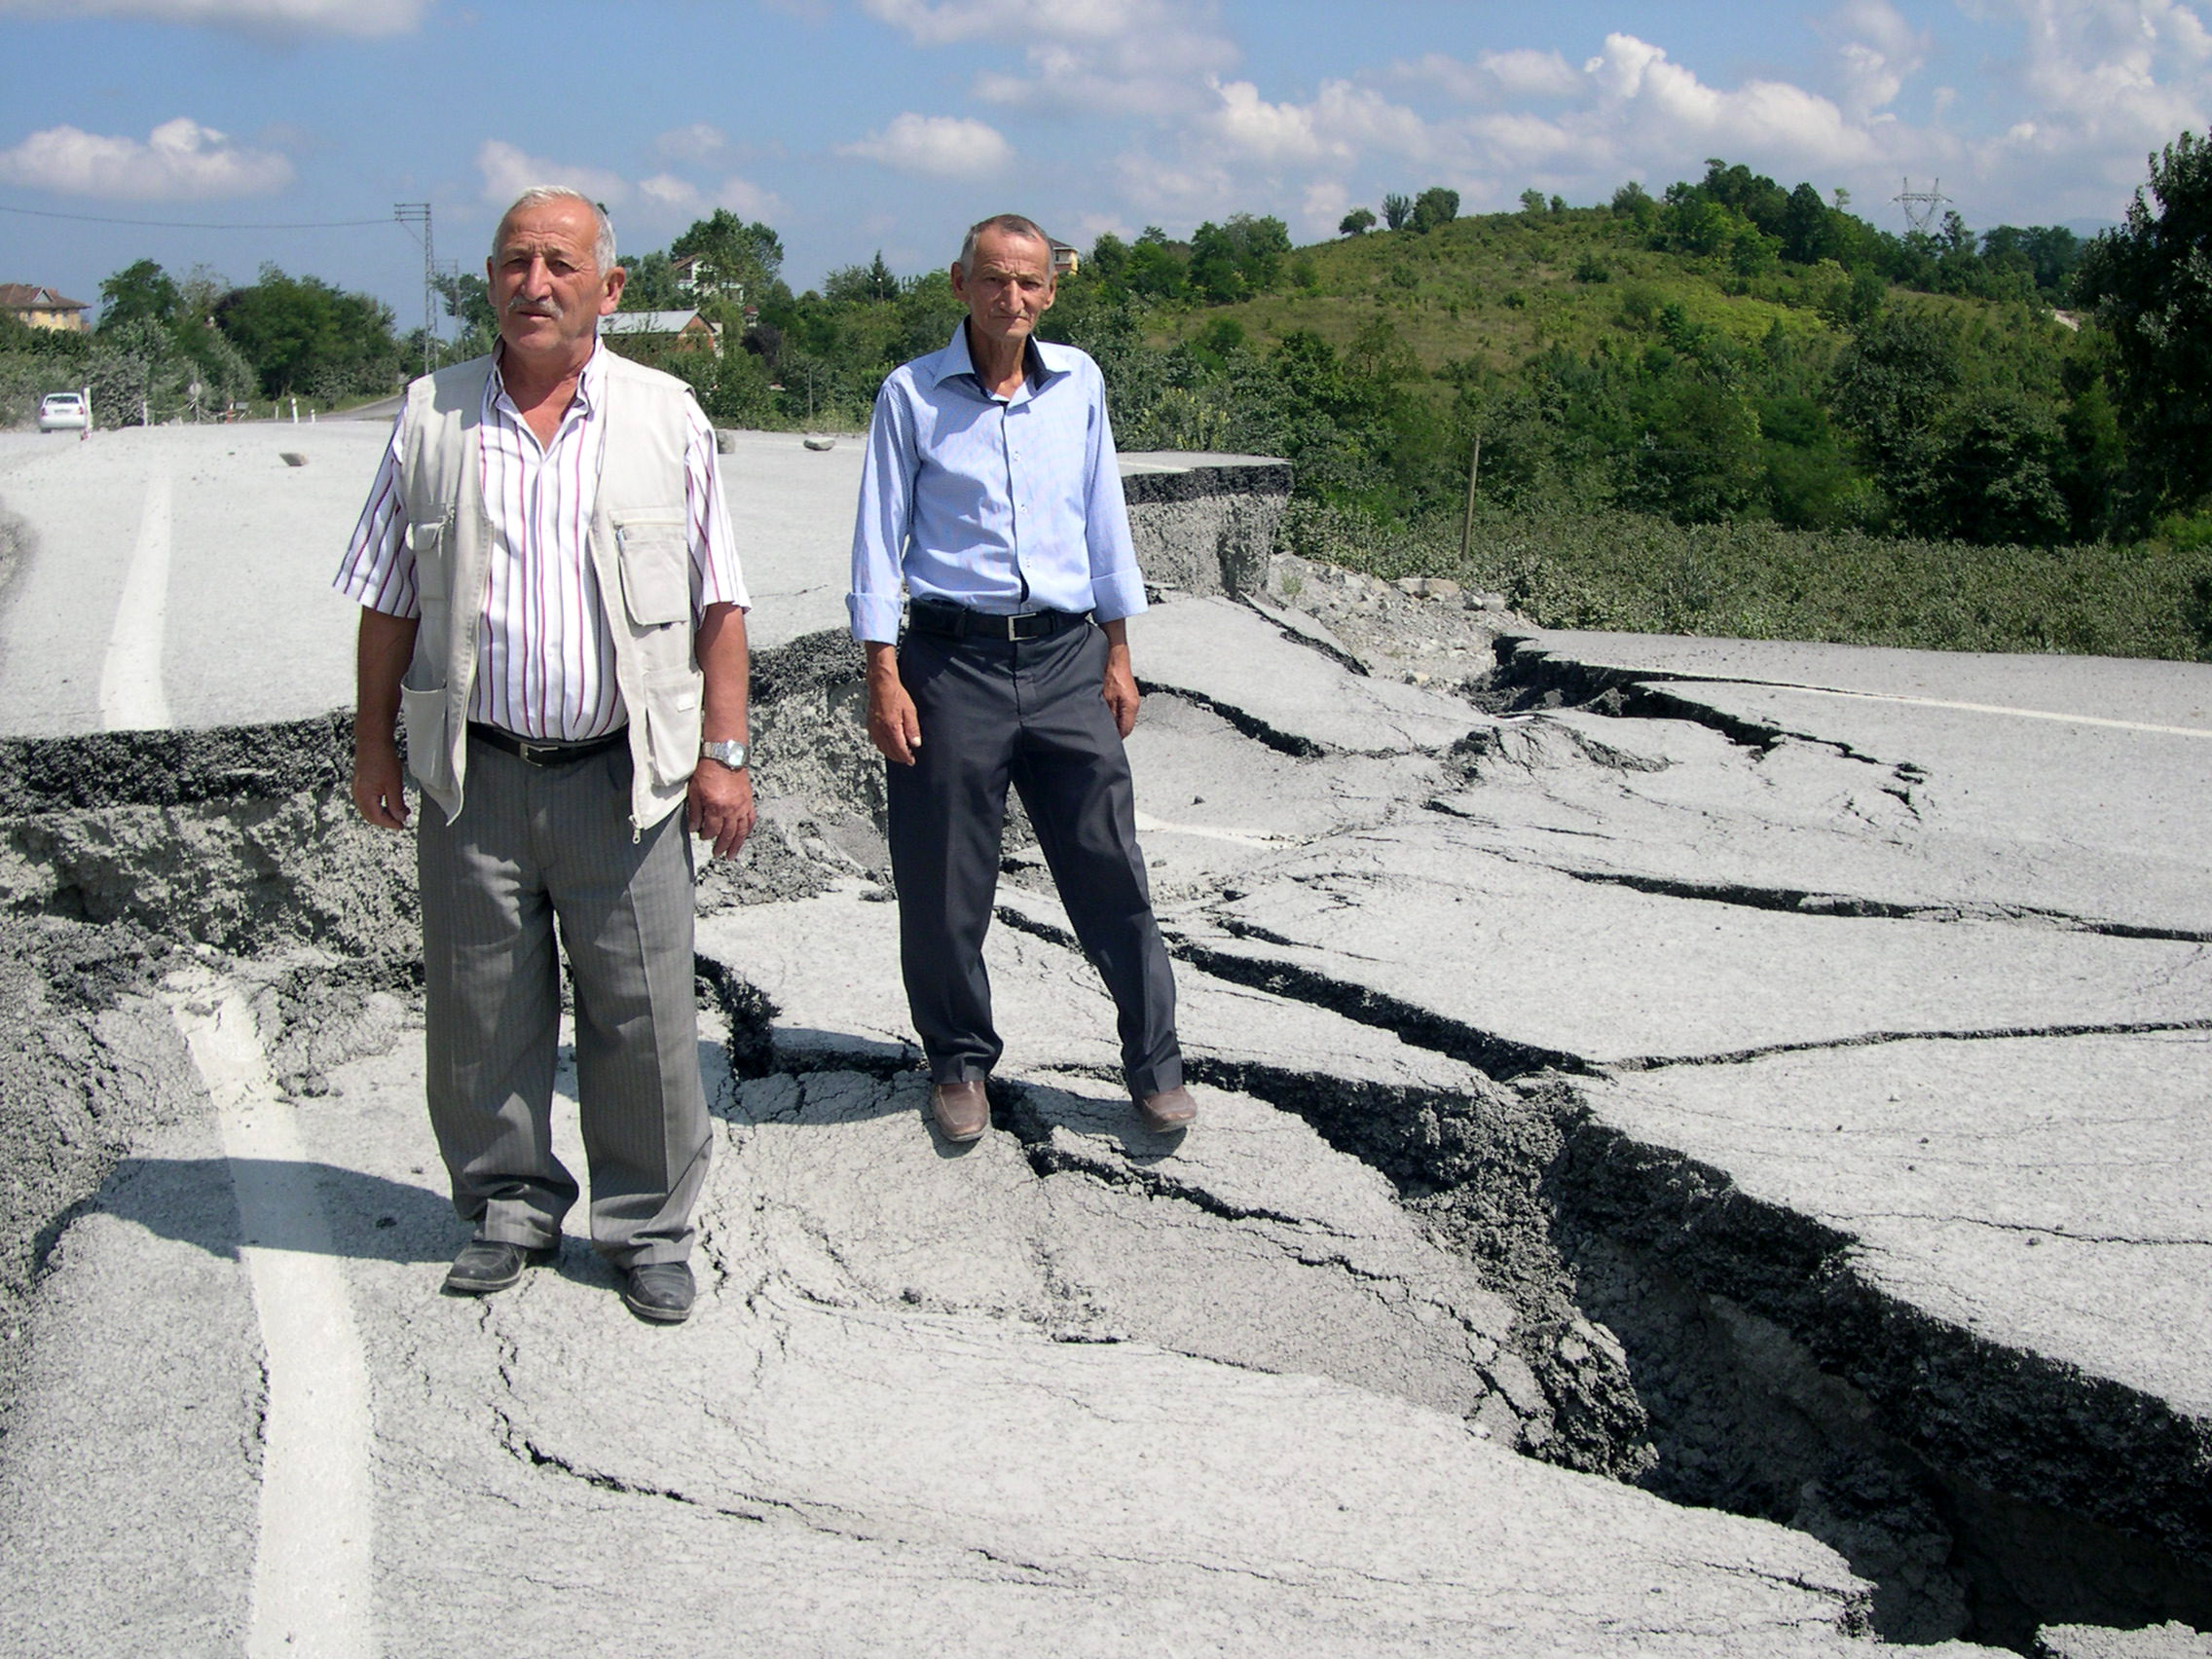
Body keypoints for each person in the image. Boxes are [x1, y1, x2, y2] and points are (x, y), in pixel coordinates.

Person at [334, 185, 755, 1324]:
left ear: (608, 290)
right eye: (516, 261)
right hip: (475, 773)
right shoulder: (432, 414)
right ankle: (507, 1208)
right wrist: (375, 741)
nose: (536, 282)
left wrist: (725, 754)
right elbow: (385, 600)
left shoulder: (667, 414)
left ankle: (646, 1227)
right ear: (488, 280)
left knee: (644, 1016)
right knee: (480, 1010)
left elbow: (720, 601)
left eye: (561, 264)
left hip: (624, 780)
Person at [848, 212, 1196, 1143]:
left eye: (1030, 283)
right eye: (994, 280)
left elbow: (1103, 516)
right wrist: (883, 673)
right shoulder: (911, 396)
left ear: (1051, 290)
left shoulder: (1079, 382)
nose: (1013, 299)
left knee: (1109, 869)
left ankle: (1155, 1064)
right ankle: (958, 1063)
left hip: (1065, 657)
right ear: (959, 283)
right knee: (944, 881)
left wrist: (1120, 654)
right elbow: (880, 544)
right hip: (949, 663)